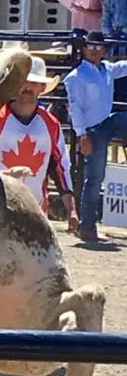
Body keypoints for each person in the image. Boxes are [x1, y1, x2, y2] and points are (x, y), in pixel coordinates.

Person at [0, 55, 79, 232]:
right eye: (23, 81)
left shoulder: (51, 124)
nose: (27, 87)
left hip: (36, 210)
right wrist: (4, 174)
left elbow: (60, 167)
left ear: (42, 88)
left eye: (33, 83)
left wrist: (71, 210)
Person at [64, 30, 127, 242]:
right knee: (95, 178)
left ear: (103, 50)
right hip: (92, 129)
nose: (93, 50)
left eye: (97, 47)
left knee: (95, 176)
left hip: (105, 122)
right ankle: (87, 226)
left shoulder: (107, 69)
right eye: (90, 47)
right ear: (83, 49)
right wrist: (82, 135)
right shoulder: (75, 78)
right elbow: (75, 109)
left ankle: (88, 226)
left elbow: (124, 66)